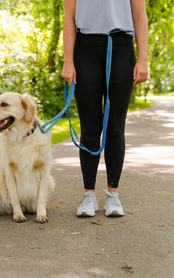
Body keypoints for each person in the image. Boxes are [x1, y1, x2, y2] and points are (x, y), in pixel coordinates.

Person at [61, 0, 149, 217]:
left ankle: (113, 195)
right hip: (85, 49)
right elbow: (69, 18)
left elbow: (139, 16)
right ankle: (88, 195)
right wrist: (68, 61)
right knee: (90, 128)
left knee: (116, 127)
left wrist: (143, 58)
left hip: (121, 48)